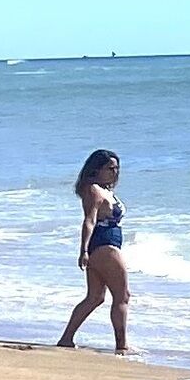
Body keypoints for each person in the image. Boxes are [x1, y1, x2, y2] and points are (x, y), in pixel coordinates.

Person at [56, 149, 131, 353]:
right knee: (122, 296)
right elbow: (89, 220)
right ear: (96, 169)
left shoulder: (103, 190)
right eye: (110, 168)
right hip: (104, 245)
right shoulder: (94, 190)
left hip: (104, 245)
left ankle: (66, 338)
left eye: (117, 168)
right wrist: (83, 250)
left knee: (95, 297)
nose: (115, 172)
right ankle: (122, 346)